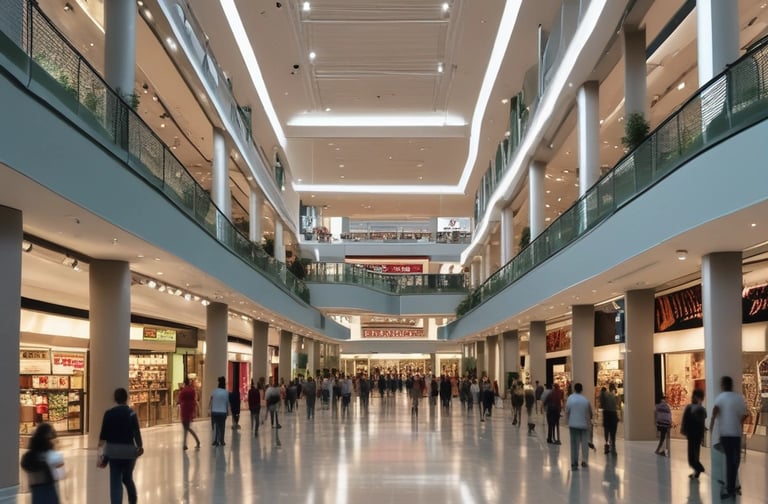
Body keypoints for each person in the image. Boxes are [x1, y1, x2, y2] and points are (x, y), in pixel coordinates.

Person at [98, 388, 143, 504]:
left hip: (113, 452)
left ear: (115, 399)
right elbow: (136, 432)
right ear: (126, 398)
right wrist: (140, 446)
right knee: (127, 477)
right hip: (129, 452)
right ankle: (133, 500)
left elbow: (103, 437)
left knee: (115, 481)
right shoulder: (131, 413)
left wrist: (100, 456)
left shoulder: (108, 414)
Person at [709, 375, 748, 499]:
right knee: (734, 461)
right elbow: (745, 414)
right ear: (731, 385)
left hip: (725, 434)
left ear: (722, 385)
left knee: (730, 460)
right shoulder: (738, 398)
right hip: (735, 434)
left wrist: (712, 425)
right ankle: (731, 486)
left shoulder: (720, 397)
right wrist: (738, 422)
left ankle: (730, 486)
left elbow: (715, 411)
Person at [20, 422, 62, 504]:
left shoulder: (29, 455)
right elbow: (59, 474)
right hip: (49, 490)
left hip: (36, 491)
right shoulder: (50, 453)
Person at [565, 382, 592, 470]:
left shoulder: (570, 398)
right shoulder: (585, 400)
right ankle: (584, 460)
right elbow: (589, 413)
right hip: (584, 425)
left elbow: (567, 411)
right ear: (582, 390)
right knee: (584, 443)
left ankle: (574, 462)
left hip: (573, 424)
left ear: (574, 389)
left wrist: (567, 421)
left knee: (574, 444)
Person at [680, 389, 707, 479]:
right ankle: (697, 470)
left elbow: (686, 420)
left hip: (694, 434)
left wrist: (683, 429)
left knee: (692, 456)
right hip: (695, 434)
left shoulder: (694, 408)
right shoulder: (699, 408)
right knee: (694, 455)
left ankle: (699, 468)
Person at [177, 378, 200, 450]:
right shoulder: (192, 390)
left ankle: (195, 442)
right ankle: (185, 444)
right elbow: (194, 400)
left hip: (184, 409)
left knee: (186, 428)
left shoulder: (183, 391)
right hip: (190, 409)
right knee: (186, 428)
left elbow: (179, 400)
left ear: (184, 383)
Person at [209, 376, 230, 446]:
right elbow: (227, 403)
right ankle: (222, 440)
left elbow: (211, 401)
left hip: (214, 411)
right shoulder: (226, 392)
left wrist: (209, 409)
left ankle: (215, 440)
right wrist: (227, 411)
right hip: (223, 412)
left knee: (216, 426)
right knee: (222, 426)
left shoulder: (214, 391)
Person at [599, 385, 619, 455]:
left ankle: (607, 443)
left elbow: (601, 405)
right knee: (613, 430)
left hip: (607, 413)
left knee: (606, 429)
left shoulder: (602, 394)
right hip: (614, 414)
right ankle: (613, 443)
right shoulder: (612, 395)